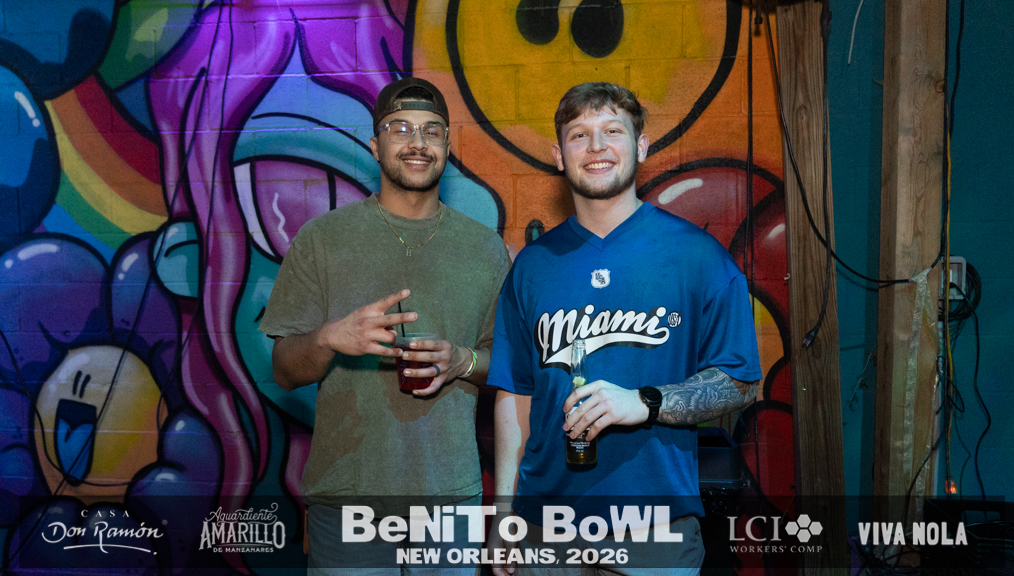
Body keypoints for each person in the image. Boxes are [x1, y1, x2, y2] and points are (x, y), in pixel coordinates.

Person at [487, 82, 762, 575]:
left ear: (641, 146)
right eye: (579, 135)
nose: (596, 147)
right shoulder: (532, 266)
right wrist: (505, 513)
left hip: (654, 530)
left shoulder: (697, 256)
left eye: (613, 131)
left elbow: (740, 382)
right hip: (545, 529)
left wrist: (645, 401)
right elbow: (515, 394)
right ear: (559, 155)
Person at [259, 77, 510, 574]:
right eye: (400, 129)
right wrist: (330, 338)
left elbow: (509, 366)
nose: (417, 142)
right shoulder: (323, 240)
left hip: (449, 501)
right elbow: (284, 371)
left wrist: (462, 361)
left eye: (431, 131)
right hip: (346, 500)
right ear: (375, 145)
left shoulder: (485, 249)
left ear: (446, 145)